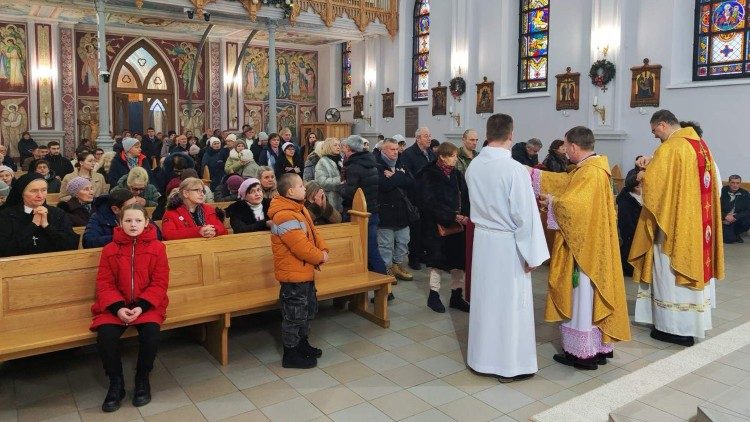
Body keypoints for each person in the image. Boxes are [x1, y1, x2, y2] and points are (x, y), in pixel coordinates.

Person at [531, 126, 631, 370]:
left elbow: (575, 208)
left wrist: (553, 203)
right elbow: (567, 184)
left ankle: (582, 355)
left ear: (574, 146)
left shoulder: (589, 173)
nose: (564, 151)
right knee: (592, 296)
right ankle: (598, 347)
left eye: (566, 146)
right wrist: (533, 175)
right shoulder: (594, 168)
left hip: (584, 248)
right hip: (596, 243)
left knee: (582, 296)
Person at [466, 113, 549, 382]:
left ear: (487, 134)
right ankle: (509, 365)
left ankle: (481, 359)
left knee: (485, 300)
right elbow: (525, 215)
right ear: (511, 135)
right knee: (510, 304)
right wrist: (533, 253)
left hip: (483, 240)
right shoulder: (513, 169)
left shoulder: (474, 166)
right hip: (507, 244)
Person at [630, 110, 724, 347]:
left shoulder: (671, 148)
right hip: (698, 226)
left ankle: (674, 329)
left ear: (662, 125)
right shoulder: (700, 146)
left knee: (669, 274)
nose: (654, 136)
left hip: (672, 228)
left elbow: (655, 188)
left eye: (654, 130)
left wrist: (642, 174)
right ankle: (692, 325)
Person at [90, 204, 169, 412]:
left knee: (151, 333)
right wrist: (117, 307)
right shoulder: (110, 250)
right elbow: (104, 283)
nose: (133, 225)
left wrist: (142, 306)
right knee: (106, 335)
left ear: (147, 223)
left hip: (147, 304)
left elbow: (160, 282)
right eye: (128, 221)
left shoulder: (158, 248)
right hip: (115, 305)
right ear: (119, 223)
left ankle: (142, 378)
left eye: (138, 221)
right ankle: (116, 383)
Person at [269, 173, 329, 368]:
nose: (305, 188)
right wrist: (320, 257)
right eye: (301, 186)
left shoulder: (299, 208)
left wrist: (324, 249)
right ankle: (291, 353)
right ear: (291, 191)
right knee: (294, 315)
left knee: (307, 310)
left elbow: (314, 233)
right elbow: (300, 247)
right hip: (293, 275)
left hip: (305, 272)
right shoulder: (284, 214)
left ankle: (302, 344)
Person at [419, 142, 471, 313]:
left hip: (458, 226)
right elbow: (428, 201)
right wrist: (451, 216)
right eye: (453, 156)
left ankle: (456, 296)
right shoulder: (429, 174)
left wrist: (465, 214)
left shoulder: (457, 175)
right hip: (437, 224)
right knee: (438, 262)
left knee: (458, 262)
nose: (456, 159)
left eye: (456, 155)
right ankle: (433, 296)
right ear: (442, 156)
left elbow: (465, 197)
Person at [0, 173, 79, 257]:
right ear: (22, 193)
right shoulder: (6, 215)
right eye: (34, 191)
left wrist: (47, 226)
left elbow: (72, 246)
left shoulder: (58, 213)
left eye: (44, 190)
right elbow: (4, 250)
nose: (40, 195)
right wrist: (33, 225)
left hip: (55, 265)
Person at [341, 135, 387, 275]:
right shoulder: (370, 163)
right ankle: (382, 286)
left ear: (349, 149)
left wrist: (340, 187)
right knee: (371, 248)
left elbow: (350, 193)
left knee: (368, 250)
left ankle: (384, 285)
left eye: (345, 148)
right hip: (372, 211)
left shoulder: (354, 167)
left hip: (358, 214)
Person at [375, 137, 415, 282]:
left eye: (397, 149)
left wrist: (394, 177)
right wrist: (399, 175)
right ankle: (387, 269)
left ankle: (397, 265)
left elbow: (412, 182)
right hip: (385, 211)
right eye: (392, 149)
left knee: (404, 240)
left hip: (402, 211)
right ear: (383, 150)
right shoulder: (377, 164)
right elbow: (384, 186)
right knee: (386, 245)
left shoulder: (401, 162)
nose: (396, 152)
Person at [401, 127, 436, 270]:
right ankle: (413, 257)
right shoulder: (409, 154)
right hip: (415, 197)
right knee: (416, 230)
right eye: (426, 136)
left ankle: (423, 254)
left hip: (429, 197)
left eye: (429, 136)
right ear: (418, 138)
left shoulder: (431, 154)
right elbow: (407, 176)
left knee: (427, 228)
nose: (429, 139)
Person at [161, 177, 228, 240]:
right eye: (197, 190)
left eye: (202, 191)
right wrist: (198, 231)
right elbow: (168, 234)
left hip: (211, 248)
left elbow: (223, 230)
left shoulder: (209, 210)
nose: (202, 194)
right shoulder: (172, 213)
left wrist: (214, 230)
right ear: (185, 193)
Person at [616, 173, 643, 277]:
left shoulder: (641, 196)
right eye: (638, 186)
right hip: (631, 233)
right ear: (632, 187)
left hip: (639, 231)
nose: (641, 188)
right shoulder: (626, 200)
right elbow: (625, 221)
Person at [314, 137, 343, 212]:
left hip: (342, 199)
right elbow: (321, 182)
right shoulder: (322, 162)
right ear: (328, 146)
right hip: (330, 200)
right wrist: (340, 179)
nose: (338, 147)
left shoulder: (341, 160)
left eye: (339, 145)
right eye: (335, 145)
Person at [721, 175, 750, 244]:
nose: (735, 185)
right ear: (729, 183)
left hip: (736, 219)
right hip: (724, 220)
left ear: (740, 183)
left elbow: (748, 210)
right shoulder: (722, 191)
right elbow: (715, 208)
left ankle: (735, 233)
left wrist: (735, 217)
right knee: (729, 240)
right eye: (733, 183)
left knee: (747, 221)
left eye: (737, 183)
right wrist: (725, 216)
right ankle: (733, 235)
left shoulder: (745, 193)